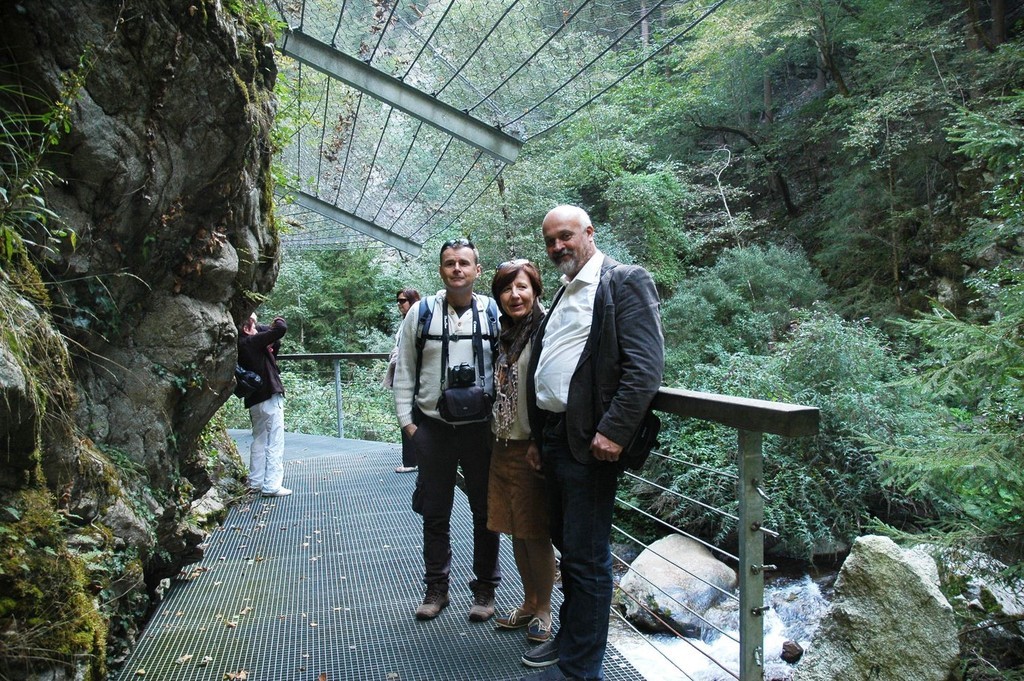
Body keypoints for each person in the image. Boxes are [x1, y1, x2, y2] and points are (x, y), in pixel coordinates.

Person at [523, 205, 664, 681]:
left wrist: (614, 431)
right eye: (550, 240)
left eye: (565, 236)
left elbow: (645, 367)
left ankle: (580, 669)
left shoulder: (623, 281)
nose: (557, 246)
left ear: (589, 232)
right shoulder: (566, 291)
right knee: (569, 548)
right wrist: (539, 436)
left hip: (589, 440)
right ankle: (572, 639)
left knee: (587, 556)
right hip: (555, 435)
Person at [392, 238, 501, 622]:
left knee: (485, 512)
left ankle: (485, 589)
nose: (457, 269)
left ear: (477, 270)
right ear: (441, 270)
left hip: (480, 430)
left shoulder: (493, 312)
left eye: (464, 263)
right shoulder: (421, 313)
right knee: (435, 513)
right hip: (433, 429)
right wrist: (409, 425)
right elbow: (405, 369)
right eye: (450, 263)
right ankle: (436, 588)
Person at [487, 260, 556, 644]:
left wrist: (539, 442)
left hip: (531, 447)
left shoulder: (545, 331)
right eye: (506, 288)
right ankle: (529, 601)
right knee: (516, 528)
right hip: (502, 443)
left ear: (535, 291)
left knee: (536, 532)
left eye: (522, 287)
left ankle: (544, 609)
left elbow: (550, 390)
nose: (514, 295)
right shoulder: (506, 333)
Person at [238, 312, 292, 497]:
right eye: (254, 325)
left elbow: (275, 343)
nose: (258, 328)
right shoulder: (252, 341)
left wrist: (254, 324)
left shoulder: (242, 344)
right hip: (269, 395)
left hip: (254, 399)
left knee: (259, 439)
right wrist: (277, 318)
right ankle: (272, 485)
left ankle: (256, 481)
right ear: (247, 329)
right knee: (275, 440)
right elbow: (280, 328)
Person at [384, 287, 422, 474]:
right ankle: (412, 460)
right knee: (407, 415)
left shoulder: (417, 319)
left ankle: (412, 462)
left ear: (412, 301)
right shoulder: (405, 321)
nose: (399, 304)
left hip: (415, 377)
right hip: (406, 375)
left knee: (413, 416)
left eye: (403, 301)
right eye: (398, 301)